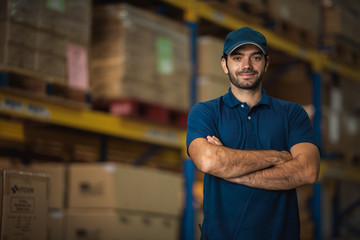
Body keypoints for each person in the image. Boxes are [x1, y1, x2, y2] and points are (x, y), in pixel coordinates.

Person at [186, 27, 320, 240]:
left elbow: (307, 170)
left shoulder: (292, 113)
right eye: (237, 57)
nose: (246, 65)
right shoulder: (205, 112)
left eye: (255, 57)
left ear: (266, 63)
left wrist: (231, 172)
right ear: (224, 64)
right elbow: (209, 162)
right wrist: (276, 157)